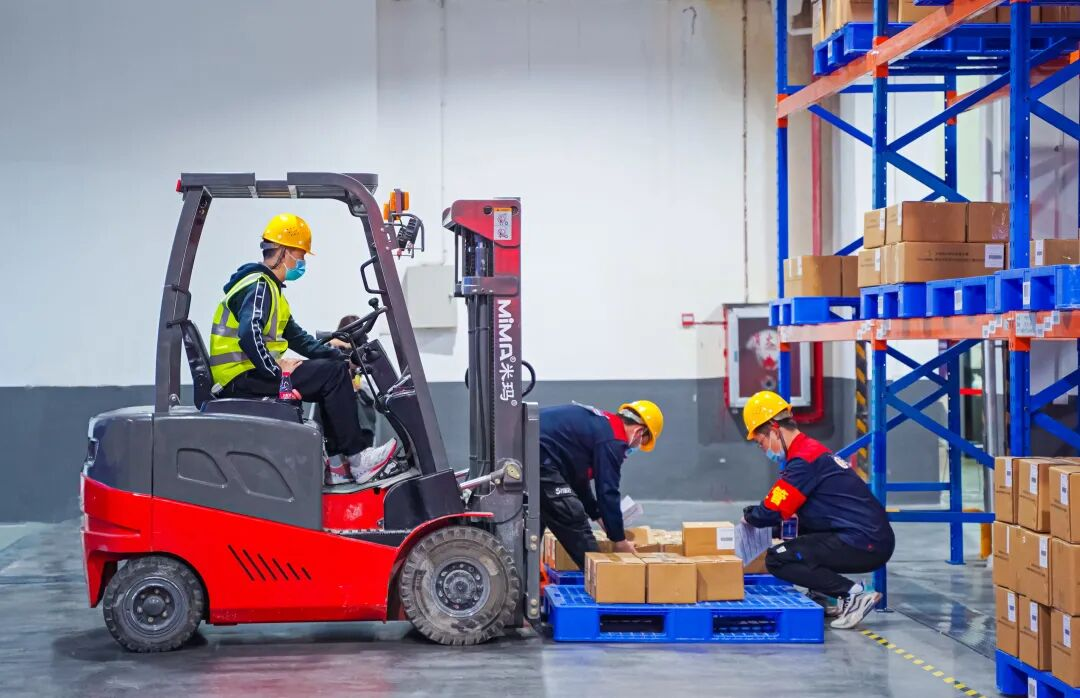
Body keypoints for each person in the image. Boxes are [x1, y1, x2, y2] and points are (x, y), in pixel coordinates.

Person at [208, 213, 397, 485]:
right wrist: (278, 373)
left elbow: (300, 340)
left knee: (334, 370)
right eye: (300, 254)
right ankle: (358, 460)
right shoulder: (259, 286)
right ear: (283, 251)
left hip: (249, 373)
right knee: (332, 375)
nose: (302, 261)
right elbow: (249, 334)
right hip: (240, 377)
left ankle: (340, 464)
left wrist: (341, 355)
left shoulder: (272, 290)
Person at [740, 390, 894, 630]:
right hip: (866, 537)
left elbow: (770, 511)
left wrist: (749, 516)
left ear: (774, 429)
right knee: (796, 536)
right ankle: (824, 595)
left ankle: (853, 594)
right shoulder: (809, 451)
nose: (764, 450)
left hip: (864, 541)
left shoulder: (804, 460)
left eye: (761, 442)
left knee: (778, 558)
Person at [538, 401, 664, 568]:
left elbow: (578, 482)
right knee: (570, 513)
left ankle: (522, 575)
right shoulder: (614, 439)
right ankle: (601, 576)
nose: (637, 446)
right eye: (642, 442)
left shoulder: (602, 425)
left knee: (537, 515)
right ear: (639, 432)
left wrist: (598, 516)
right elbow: (608, 491)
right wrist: (620, 541)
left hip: (529, 451)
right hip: (539, 458)